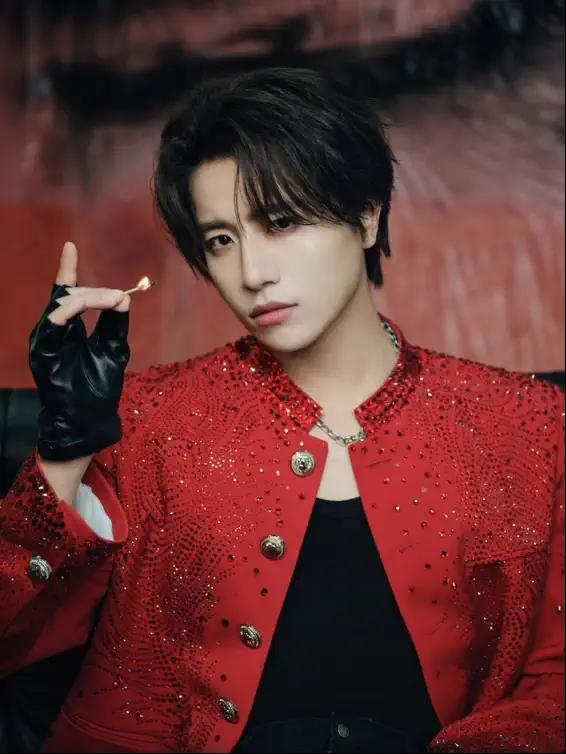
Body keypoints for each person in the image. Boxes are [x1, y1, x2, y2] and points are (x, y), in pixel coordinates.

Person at [0, 67, 563, 754]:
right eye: (221, 240)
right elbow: (12, 638)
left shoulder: (528, 425)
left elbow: (553, 683)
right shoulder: (145, 420)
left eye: (282, 222)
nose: (252, 273)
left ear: (366, 215)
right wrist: (64, 453)